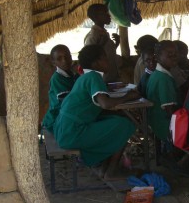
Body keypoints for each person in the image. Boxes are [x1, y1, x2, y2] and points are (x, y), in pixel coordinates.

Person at [53, 44, 141, 180]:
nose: (108, 61)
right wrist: (128, 96)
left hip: (63, 129)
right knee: (125, 125)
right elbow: (105, 103)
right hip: (72, 133)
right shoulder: (94, 76)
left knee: (116, 121)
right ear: (96, 63)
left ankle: (103, 167)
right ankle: (112, 171)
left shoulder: (85, 77)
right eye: (105, 58)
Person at [146, 40, 179, 152]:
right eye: (169, 54)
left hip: (155, 121)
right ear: (158, 57)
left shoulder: (157, 74)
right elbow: (169, 110)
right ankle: (174, 155)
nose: (174, 57)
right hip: (163, 124)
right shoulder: (164, 78)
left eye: (175, 54)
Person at [42, 44, 78, 133]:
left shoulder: (72, 74)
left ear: (71, 57)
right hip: (56, 120)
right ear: (53, 62)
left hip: (65, 118)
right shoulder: (57, 79)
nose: (64, 60)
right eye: (59, 59)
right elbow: (69, 101)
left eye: (67, 57)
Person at [84, 4, 120, 83]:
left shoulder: (103, 33)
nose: (109, 15)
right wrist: (101, 44)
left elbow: (106, 53)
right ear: (96, 17)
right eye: (105, 13)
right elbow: (88, 58)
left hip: (110, 76)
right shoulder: (93, 36)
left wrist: (116, 44)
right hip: (102, 79)